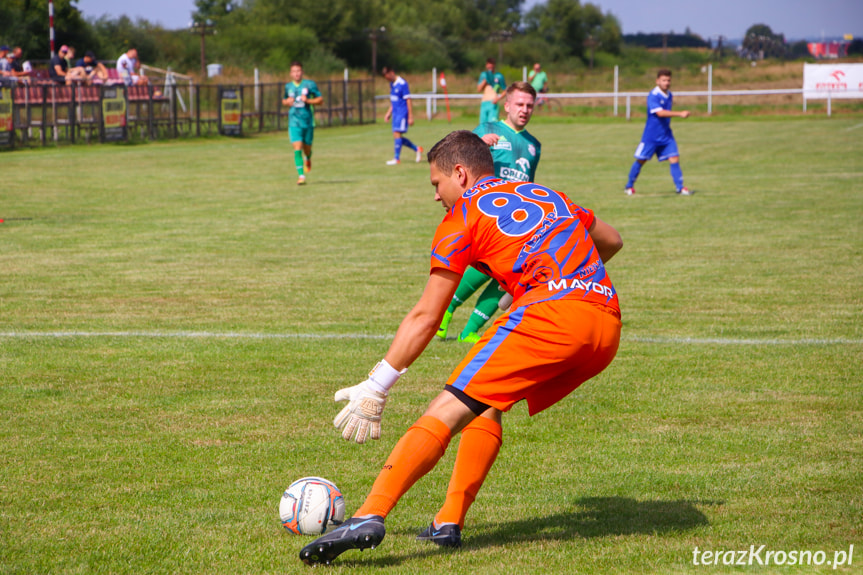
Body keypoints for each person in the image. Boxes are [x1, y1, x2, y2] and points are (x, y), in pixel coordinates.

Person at [299, 130, 623, 566]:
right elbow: (612, 241)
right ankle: (448, 521)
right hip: (604, 321)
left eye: (436, 184)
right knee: (485, 402)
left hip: (551, 314)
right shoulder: (546, 193)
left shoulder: (463, 215)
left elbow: (426, 316)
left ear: (460, 173)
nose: (436, 196)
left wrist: (377, 385)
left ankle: (368, 515)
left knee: (447, 406)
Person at [437, 81, 542, 344]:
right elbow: (457, 160)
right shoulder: (489, 130)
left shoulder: (533, 145)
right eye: (519, 104)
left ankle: (469, 330)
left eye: (529, 105)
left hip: (518, 218)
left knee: (512, 275)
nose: (525, 109)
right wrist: (480, 144)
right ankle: (445, 312)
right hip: (488, 214)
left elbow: (529, 183)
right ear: (506, 105)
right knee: (486, 266)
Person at [625, 68, 691, 196]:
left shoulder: (669, 95)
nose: (666, 83)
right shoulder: (653, 95)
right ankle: (629, 186)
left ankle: (680, 188)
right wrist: (679, 113)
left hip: (666, 135)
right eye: (663, 80)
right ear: (657, 81)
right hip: (651, 136)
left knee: (674, 158)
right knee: (641, 160)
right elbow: (660, 113)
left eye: (668, 80)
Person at [281, 61, 323, 185]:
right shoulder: (288, 86)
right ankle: (301, 176)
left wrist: (309, 101)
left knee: (307, 148)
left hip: (308, 122)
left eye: (298, 71)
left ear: (302, 72)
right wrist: (287, 102)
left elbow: (320, 100)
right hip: (294, 122)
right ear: (290, 73)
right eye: (294, 71)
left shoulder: (310, 84)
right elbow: (284, 100)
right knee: (297, 148)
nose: (296, 74)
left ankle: (308, 158)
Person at [382, 66, 423, 166]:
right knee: (397, 136)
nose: (387, 79)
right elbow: (394, 100)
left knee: (397, 134)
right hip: (395, 113)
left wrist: (410, 116)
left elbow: (408, 100)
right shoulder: (392, 84)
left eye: (387, 77)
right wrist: (389, 113)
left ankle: (396, 158)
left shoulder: (402, 84)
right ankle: (417, 149)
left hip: (402, 113)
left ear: (391, 72)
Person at [477, 58, 506, 123]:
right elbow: (479, 89)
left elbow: (505, 90)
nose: (490, 67)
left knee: (492, 124)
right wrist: (485, 80)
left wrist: (498, 99)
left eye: (492, 65)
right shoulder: (483, 75)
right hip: (484, 102)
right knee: (482, 125)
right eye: (489, 65)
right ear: (486, 65)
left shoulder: (498, 76)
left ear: (494, 65)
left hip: (493, 102)